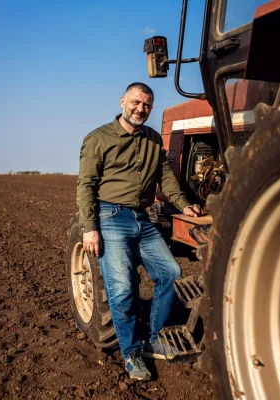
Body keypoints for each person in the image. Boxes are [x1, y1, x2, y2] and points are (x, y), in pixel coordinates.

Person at [77, 82, 202, 381]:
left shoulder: (153, 139)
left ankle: (155, 336)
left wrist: (184, 205)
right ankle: (132, 353)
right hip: (110, 216)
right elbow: (86, 186)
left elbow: (166, 178)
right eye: (135, 102)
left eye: (146, 105)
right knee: (120, 291)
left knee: (170, 272)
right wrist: (89, 229)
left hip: (142, 219)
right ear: (122, 101)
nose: (140, 109)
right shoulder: (98, 138)